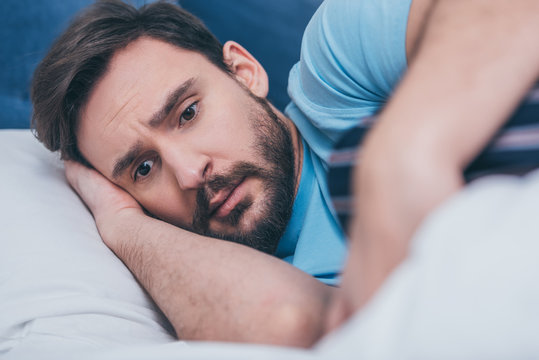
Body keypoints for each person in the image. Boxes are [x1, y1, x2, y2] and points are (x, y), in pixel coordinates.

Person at [30, 0, 539, 348]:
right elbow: (290, 327)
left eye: (187, 113)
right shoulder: (253, 288)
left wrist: (400, 155)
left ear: (243, 72)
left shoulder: (337, 76)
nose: (188, 173)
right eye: (143, 169)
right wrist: (123, 226)